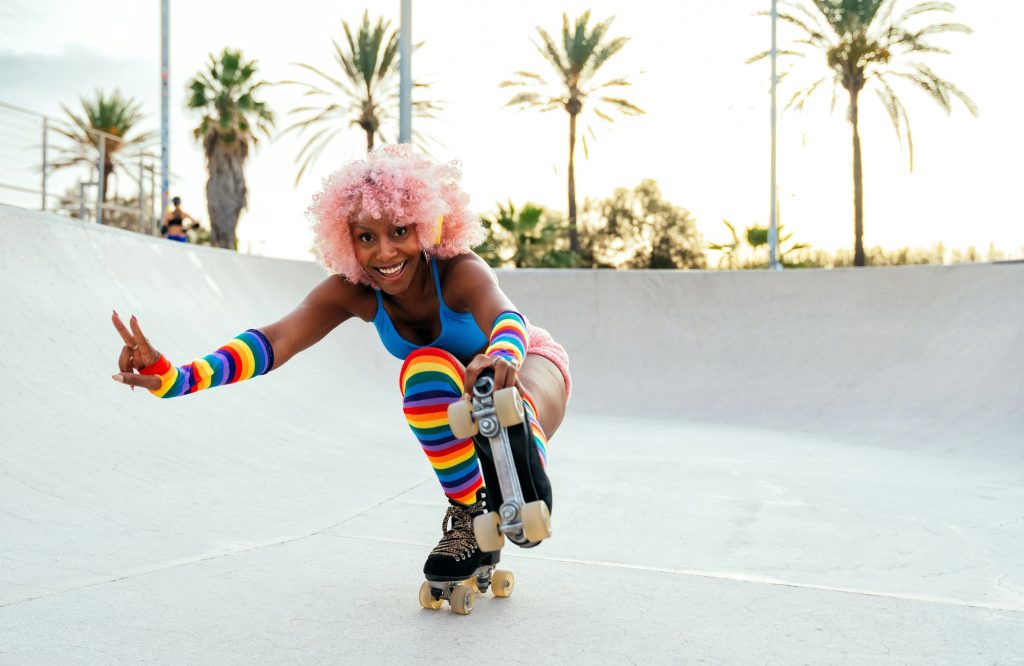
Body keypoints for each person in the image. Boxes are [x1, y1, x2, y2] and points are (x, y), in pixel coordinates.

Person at [110, 145, 571, 584]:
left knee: (507, 394)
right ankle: (474, 515)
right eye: (366, 238)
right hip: (454, 393)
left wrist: (502, 357)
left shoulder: (458, 269)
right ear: (346, 241)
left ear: (427, 227)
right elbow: (275, 340)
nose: (384, 253)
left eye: (399, 232)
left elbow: (506, 316)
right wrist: (175, 378)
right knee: (424, 369)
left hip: (528, 362)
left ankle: (519, 459)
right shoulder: (352, 290)